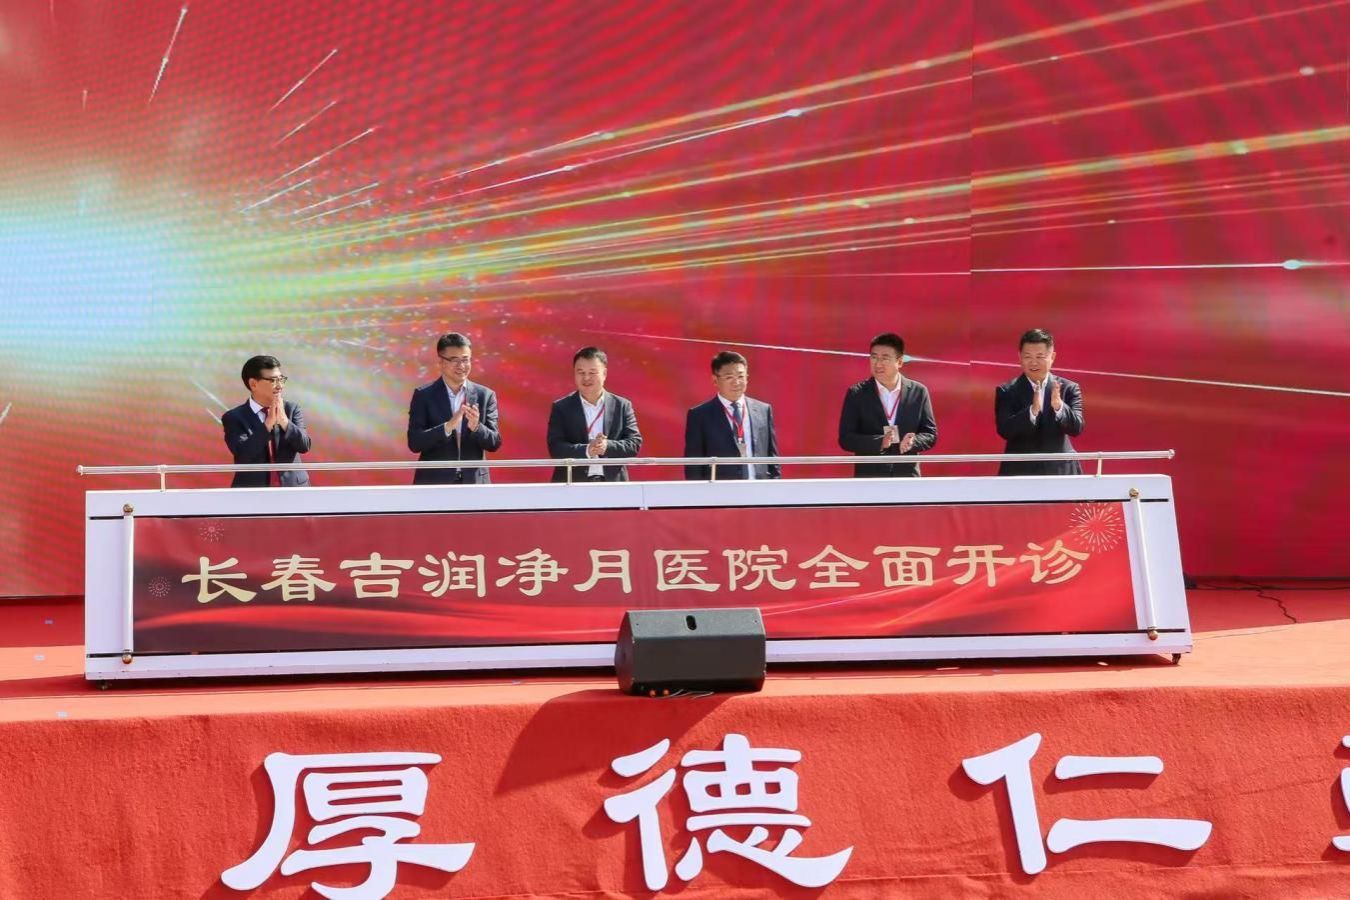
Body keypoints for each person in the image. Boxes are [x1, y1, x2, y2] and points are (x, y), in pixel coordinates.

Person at [406, 333, 502, 484]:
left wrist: (476, 427)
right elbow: (415, 442)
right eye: (454, 360)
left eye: (465, 360)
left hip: (474, 483)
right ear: (440, 362)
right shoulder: (424, 395)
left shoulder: (485, 395)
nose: (461, 366)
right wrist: (447, 427)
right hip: (434, 483)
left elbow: (494, 443)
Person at [837, 332, 938, 477]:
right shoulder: (857, 393)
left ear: (900, 362)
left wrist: (914, 442)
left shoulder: (918, 392)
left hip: (907, 476)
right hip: (870, 478)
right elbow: (846, 439)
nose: (878, 364)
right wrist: (879, 442)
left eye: (885, 358)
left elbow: (930, 434)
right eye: (874, 357)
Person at [995, 328, 1085, 475]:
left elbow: (1076, 428)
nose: (1034, 362)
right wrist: (1031, 412)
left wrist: (1059, 407)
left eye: (1040, 356)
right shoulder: (1007, 391)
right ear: (1020, 357)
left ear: (1052, 357)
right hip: (1019, 473)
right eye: (1028, 357)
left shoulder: (1068, 388)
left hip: (1061, 472)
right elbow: (1004, 430)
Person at [546, 347, 643, 482]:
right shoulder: (562, 407)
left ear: (604, 373)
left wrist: (607, 446)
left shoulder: (621, 405)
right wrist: (587, 450)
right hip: (572, 483)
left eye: (592, 372)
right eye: (581, 372)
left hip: (613, 484)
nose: (586, 378)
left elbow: (634, 443)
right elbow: (556, 447)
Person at [683, 350, 780, 480]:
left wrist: (774, 486)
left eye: (740, 376)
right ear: (715, 380)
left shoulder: (763, 410)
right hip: (720, 490)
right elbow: (693, 465)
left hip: (759, 488)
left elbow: (772, 459)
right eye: (729, 377)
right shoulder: (699, 415)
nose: (736, 382)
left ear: (747, 378)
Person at [222, 355, 311, 487]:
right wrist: (268, 424)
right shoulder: (234, 417)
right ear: (253, 384)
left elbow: (304, 446)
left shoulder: (291, 409)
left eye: (281, 379)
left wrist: (285, 422)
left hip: (293, 488)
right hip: (253, 491)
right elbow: (243, 455)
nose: (280, 386)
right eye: (273, 380)